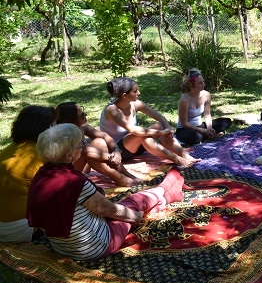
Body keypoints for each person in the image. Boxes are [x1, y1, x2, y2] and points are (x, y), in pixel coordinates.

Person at [26, 124, 187, 260]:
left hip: (62, 248)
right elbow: (109, 210)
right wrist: (136, 218)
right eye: (80, 145)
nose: (82, 148)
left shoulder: (40, 176)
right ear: (69, 154)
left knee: (131, 204)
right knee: (134, 202)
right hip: (96, 246)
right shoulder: (76, 183)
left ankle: (167, 193)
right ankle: (166, 187)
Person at [99, 77, 200, 167]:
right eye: (135, 91)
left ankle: (183, 154)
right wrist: (160, 133)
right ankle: (176, 159)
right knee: (140, 134)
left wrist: (168, 130)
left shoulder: (135, 104)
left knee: (159, 125)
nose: (139, 93)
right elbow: (133, 130)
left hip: (136, 147)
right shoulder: (112, 110)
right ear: (125, 95)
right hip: (119, 151)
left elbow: (160, 117)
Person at [0, 105, 57, 243]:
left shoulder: (9, 150)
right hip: (18, 230)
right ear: (46, 129)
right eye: (54, 125)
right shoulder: (42, 156)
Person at [56, 102, 143, 187]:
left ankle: (126, 175)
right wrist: (110, 157)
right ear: (71, 120)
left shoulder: (82, 127)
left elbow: (104, 135)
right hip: (67, 172)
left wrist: (116, 150)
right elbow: (82, 151)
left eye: (83, 111)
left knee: (99, 142)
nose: (85, 114)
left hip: (84, 166)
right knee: (85, 151)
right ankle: (120, 178)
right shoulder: (64, 134)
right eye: (82, 115)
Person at [176, 69, 232, 145]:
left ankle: (209, 134)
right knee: (196, 137)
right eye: (200, 83)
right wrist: (203, 131)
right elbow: (184, 124)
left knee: (226, 121)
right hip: (185, 129)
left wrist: (209, 128)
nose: (203, 84)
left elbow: (207, 114)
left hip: (200, 126)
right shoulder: (185, 99)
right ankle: (209, 135)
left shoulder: (206, 95)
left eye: (203, 82)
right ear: (192, 84)